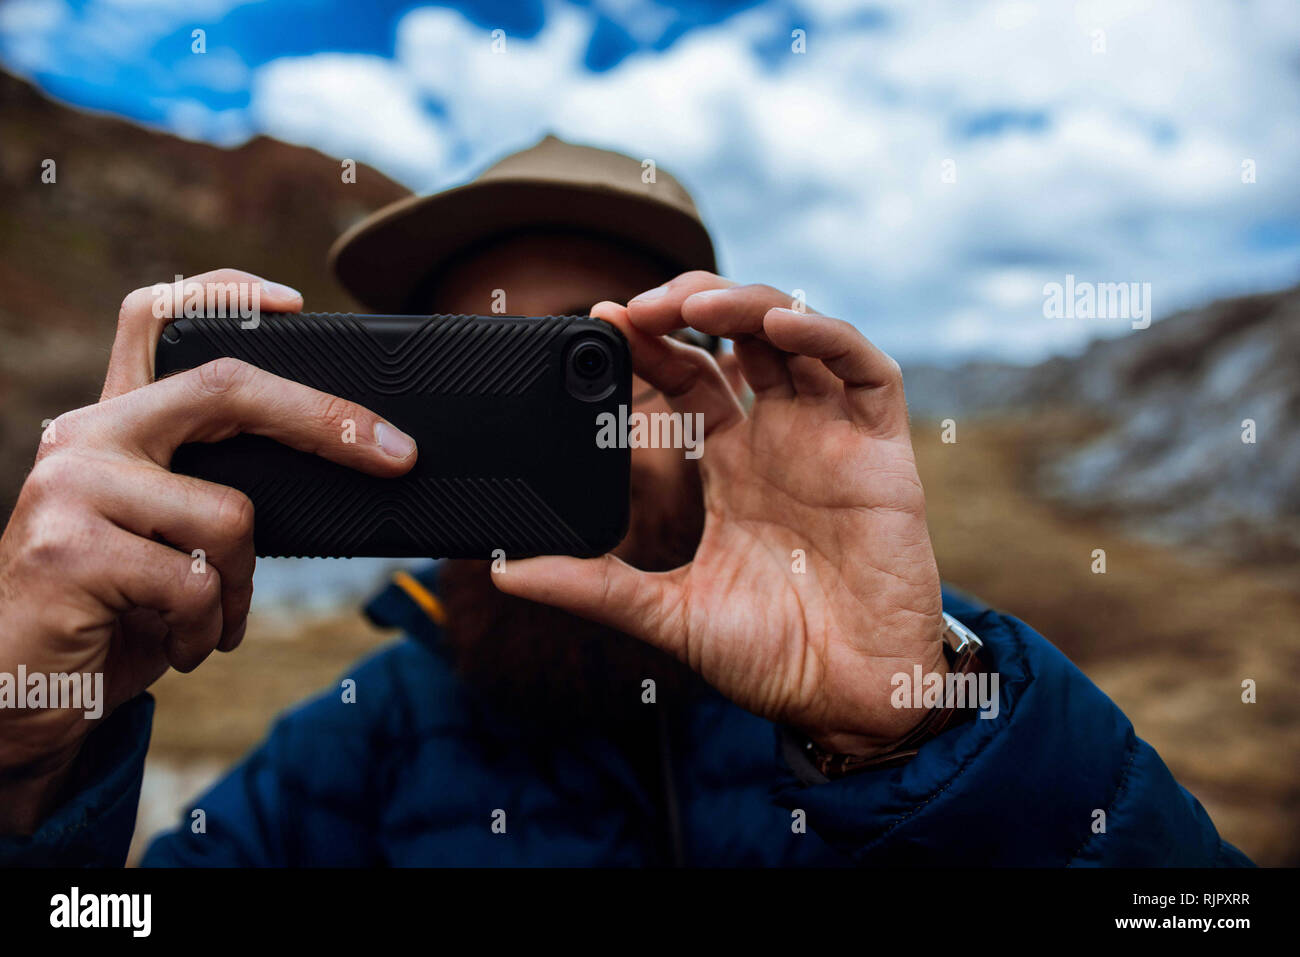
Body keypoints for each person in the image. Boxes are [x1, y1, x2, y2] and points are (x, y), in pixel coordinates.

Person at [0, 135, 1250, 866]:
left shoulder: (925, 680)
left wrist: (921, 739)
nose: (547, 438)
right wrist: (23, 749)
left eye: (587, 366)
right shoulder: (349, 745)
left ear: (703, 381)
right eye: (475, 376)